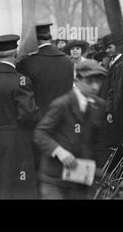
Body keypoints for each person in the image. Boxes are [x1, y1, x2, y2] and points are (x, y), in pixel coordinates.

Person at [0, 34, 40, 199]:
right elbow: (28, 116)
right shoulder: (20, 81)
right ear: (15, 52)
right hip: (12, 140)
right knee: (14, 184)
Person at [33, 60, 108, 199]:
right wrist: (59, 151)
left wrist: (98, 168)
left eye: (98, 82)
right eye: (90, 81)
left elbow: (98, 141)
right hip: (54, 177)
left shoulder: (99, 106)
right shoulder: (62, 104)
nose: (95, 87)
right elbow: (40, 133)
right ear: (77, 80)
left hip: (81, 178)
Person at [17, 23, 74, 119]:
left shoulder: (28, 62)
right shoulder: (67, 61)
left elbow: (24, 95)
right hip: (61, 118)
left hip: (38, 120)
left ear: (34, 39)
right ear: (50, 37)